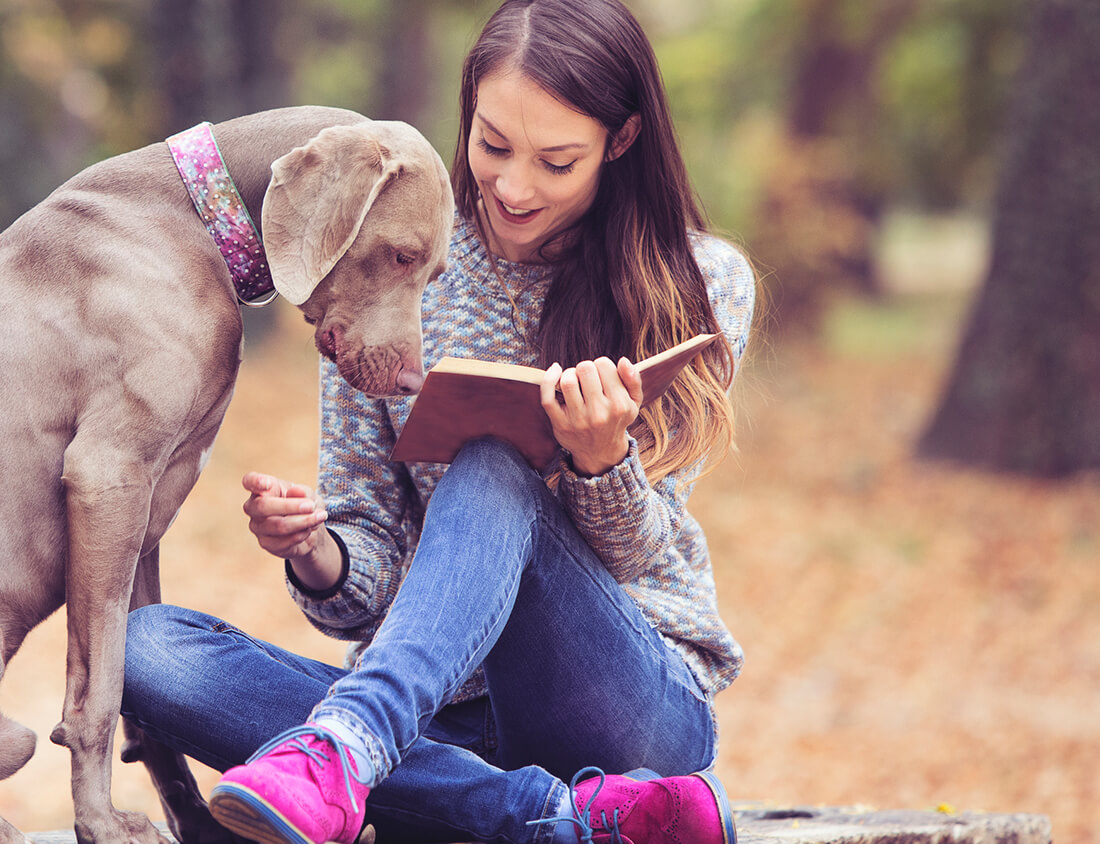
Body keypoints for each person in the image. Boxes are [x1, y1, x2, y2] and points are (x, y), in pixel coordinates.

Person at [122, 0, 756, 841]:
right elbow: (366, 583)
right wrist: (319, 554)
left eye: (556, 161)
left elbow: (645, 555)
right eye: (492, 145)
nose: (513, 185)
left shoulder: (697, 283)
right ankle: (564, 817)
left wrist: (601, 464)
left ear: (622, 140)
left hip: (627, 708)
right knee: (145, 651)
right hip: (436, 719)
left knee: (493, 463)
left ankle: (345, 753)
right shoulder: (391, 264)